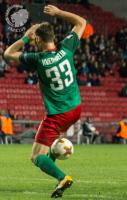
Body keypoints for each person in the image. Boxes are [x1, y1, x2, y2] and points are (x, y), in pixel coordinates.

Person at [3, 5, 86, 198]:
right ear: (54, 38)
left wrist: (25, 37)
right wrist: (58, 13)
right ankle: (55, 155)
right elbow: (81, 22)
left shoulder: (38, 59)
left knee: (36, 156)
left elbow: (7, 54)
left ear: (38, 39)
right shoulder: (66, 48)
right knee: (49, 150)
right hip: (76, 109)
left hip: (57, 114)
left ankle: (62, 177)